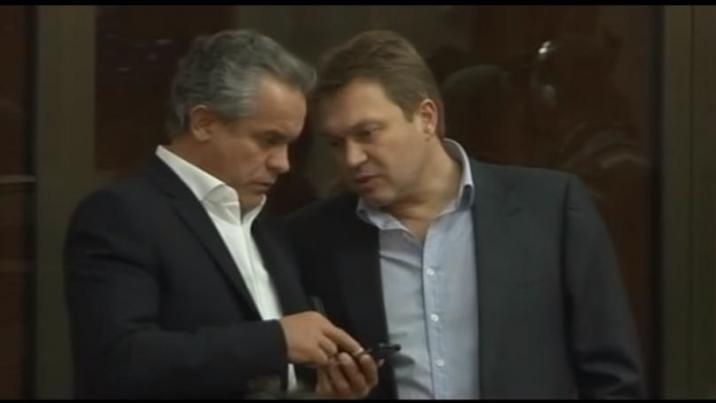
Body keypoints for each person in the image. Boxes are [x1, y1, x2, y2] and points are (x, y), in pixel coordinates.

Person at [284, 30, 644, 399]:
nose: (351, 159)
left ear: (426, 117)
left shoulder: (550, 209)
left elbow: (612, 378)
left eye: (367, 133)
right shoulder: (313, 239)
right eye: (336, 143)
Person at [64, 29, 377, 399]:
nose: (283, 164)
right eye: (268, 140)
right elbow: (118, 361)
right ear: (203, 123)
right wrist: (274, 340)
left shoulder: (269, 228)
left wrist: (325, 391)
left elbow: (285, 372)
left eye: (289, 145)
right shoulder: (120, 214)